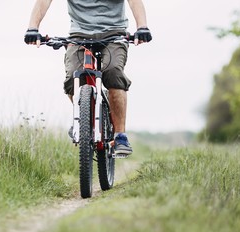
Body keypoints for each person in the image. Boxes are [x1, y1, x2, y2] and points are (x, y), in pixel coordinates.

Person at [24, 0, 152, 156]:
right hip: (79, 36)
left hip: (114, 35)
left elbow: (134, 1)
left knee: (113, 73)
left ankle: (120, 136)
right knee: (73, 78)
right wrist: (33, 28)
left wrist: (142, 26)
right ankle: (83, 119)